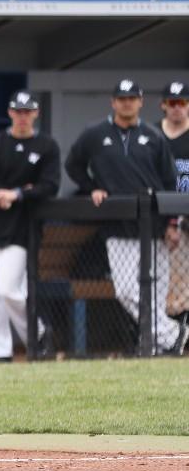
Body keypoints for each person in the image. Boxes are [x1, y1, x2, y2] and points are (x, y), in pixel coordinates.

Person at [64, 79, 188, 355]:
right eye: (122, 98)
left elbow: (169, 182)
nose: (127, 103)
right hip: (117, 226)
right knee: (125, 291)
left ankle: (157, 346)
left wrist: (171, 223)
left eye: (132, 98)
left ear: (141, 102)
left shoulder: (153, 136)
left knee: (156, 293)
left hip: (154, 225)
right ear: (113, 102)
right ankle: (173, 333)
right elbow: (73, 165)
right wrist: (91, 186)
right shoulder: (94, 134)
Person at [0, 90, 60, 362]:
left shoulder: (46, 145)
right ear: (10, 113)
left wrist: (18, 194)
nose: (22, 117)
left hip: (22, 229)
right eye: (18, 112)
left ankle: (39, 335)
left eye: (27, 112)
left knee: (8, 288)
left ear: (35, 113)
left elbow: (50, 186)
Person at [158, 81, 189, 322]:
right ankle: (172, 335)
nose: (177, 108)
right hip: (162, 219)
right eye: (172, 103)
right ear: (163, 105)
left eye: (182, 103)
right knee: (168, 283)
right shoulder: (153, 135)